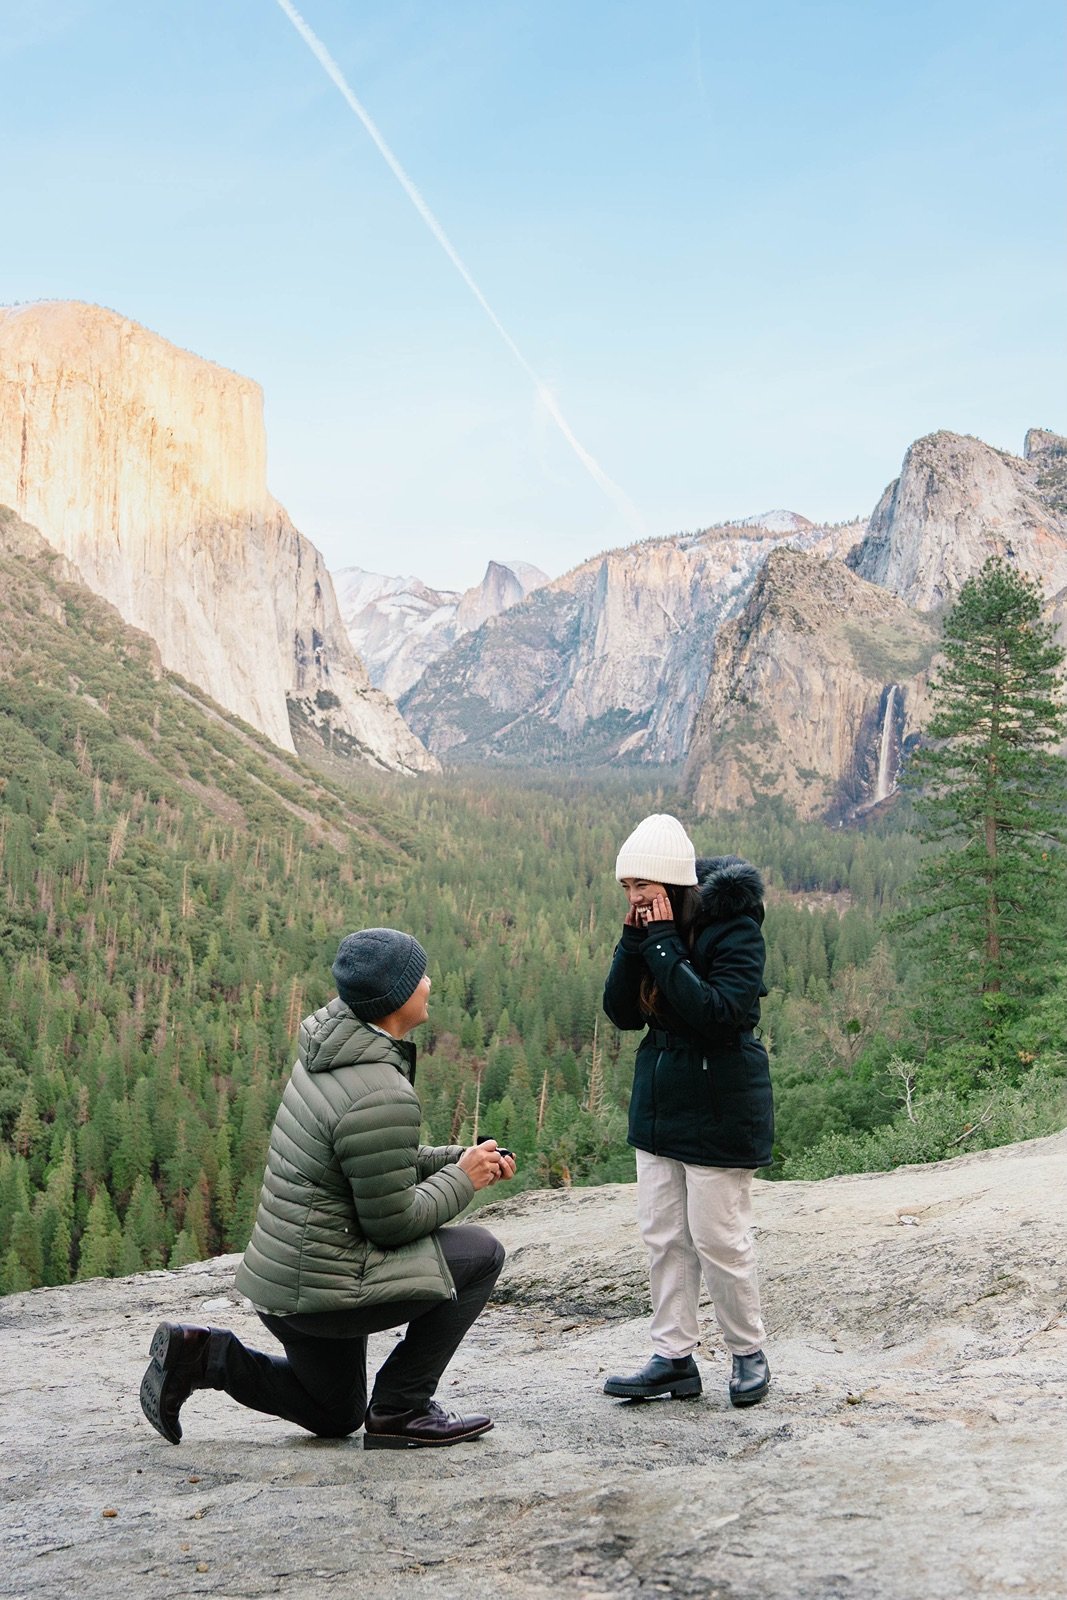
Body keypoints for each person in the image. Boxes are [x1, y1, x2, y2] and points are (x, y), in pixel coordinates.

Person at [139, 927, 516, 1450]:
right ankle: (401, 1408)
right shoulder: (379, 1091)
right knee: (483, 1253)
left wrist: (457, 1158)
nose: (429, 982)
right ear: (397, 998)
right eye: (420, 975)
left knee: (334, 1413)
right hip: (322, 1292)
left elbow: (370, 1162)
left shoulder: (332, 1050)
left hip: (289, 1285)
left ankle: (203, 1356)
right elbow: (392, 1224)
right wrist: (464, 1179)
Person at [601, 814, 773, 1408]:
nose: (634, 896)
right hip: (661, 1099)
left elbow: (721, 1015)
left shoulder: (735, 927)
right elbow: (622, 1013)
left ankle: (747, 1352)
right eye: (626, 888)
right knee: (664, 1235)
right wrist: (634, 943)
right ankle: (673, 1358)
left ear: (671, 881)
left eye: (642, 885)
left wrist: (665, 944)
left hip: (722, 1101)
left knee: (719, 1238)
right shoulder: (650, 931)